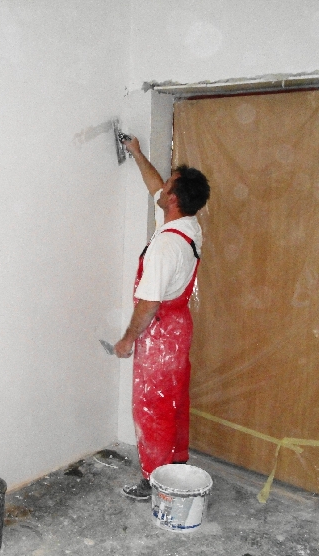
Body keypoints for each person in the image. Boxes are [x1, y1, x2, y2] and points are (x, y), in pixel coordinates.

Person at [114, 135, 210, 501]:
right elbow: (155, 186)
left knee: (151, 406)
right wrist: (137, 153)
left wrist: (128, 339)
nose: (162, 187)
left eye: (168, 185)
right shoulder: (185, 226)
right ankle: (176, 463)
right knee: (174, 400)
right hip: (178, 328)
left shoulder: (165, 247)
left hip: (159, 333)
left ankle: (154, 481)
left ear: (173, 199)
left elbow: (149, 303)